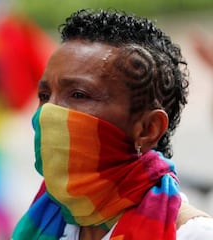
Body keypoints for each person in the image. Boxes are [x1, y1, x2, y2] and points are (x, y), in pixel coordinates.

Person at [12, 8, 213, 240]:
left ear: (148, 128)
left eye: (78, 95)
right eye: (45, 96)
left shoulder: (192, 234)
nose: (48, 113)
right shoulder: (44, 222)